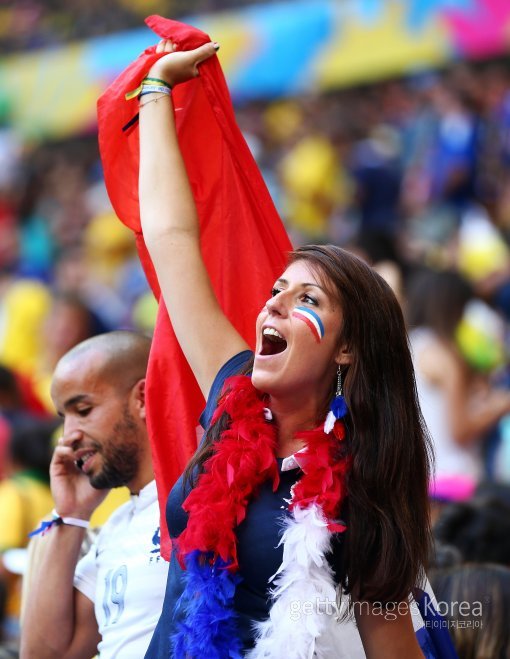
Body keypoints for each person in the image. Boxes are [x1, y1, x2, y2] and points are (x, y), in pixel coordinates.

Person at [131, 39, 439, 659]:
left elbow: (392, 645)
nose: (272, 304)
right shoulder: (231, 393)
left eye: (307, 299)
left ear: (347, 349)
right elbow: (171, 237)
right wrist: (156, 90)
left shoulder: (365, 486)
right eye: (276, 290)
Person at [20, 330, 169, 659]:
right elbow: (46, 655)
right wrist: (71, 513)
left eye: (83, 410)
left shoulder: (201, 502)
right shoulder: (116, 527)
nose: (68, 436)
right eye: (64, 418)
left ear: (142, 398)